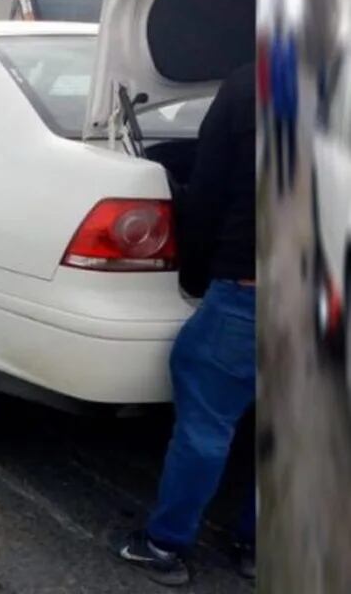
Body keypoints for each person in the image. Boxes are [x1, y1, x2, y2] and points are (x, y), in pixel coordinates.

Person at [114, 63, 256, 586]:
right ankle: (258, 547)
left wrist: (195, 273)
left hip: (250, 288)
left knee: (206, 425)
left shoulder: (248, 87)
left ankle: (164, 545)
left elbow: (208, 195)